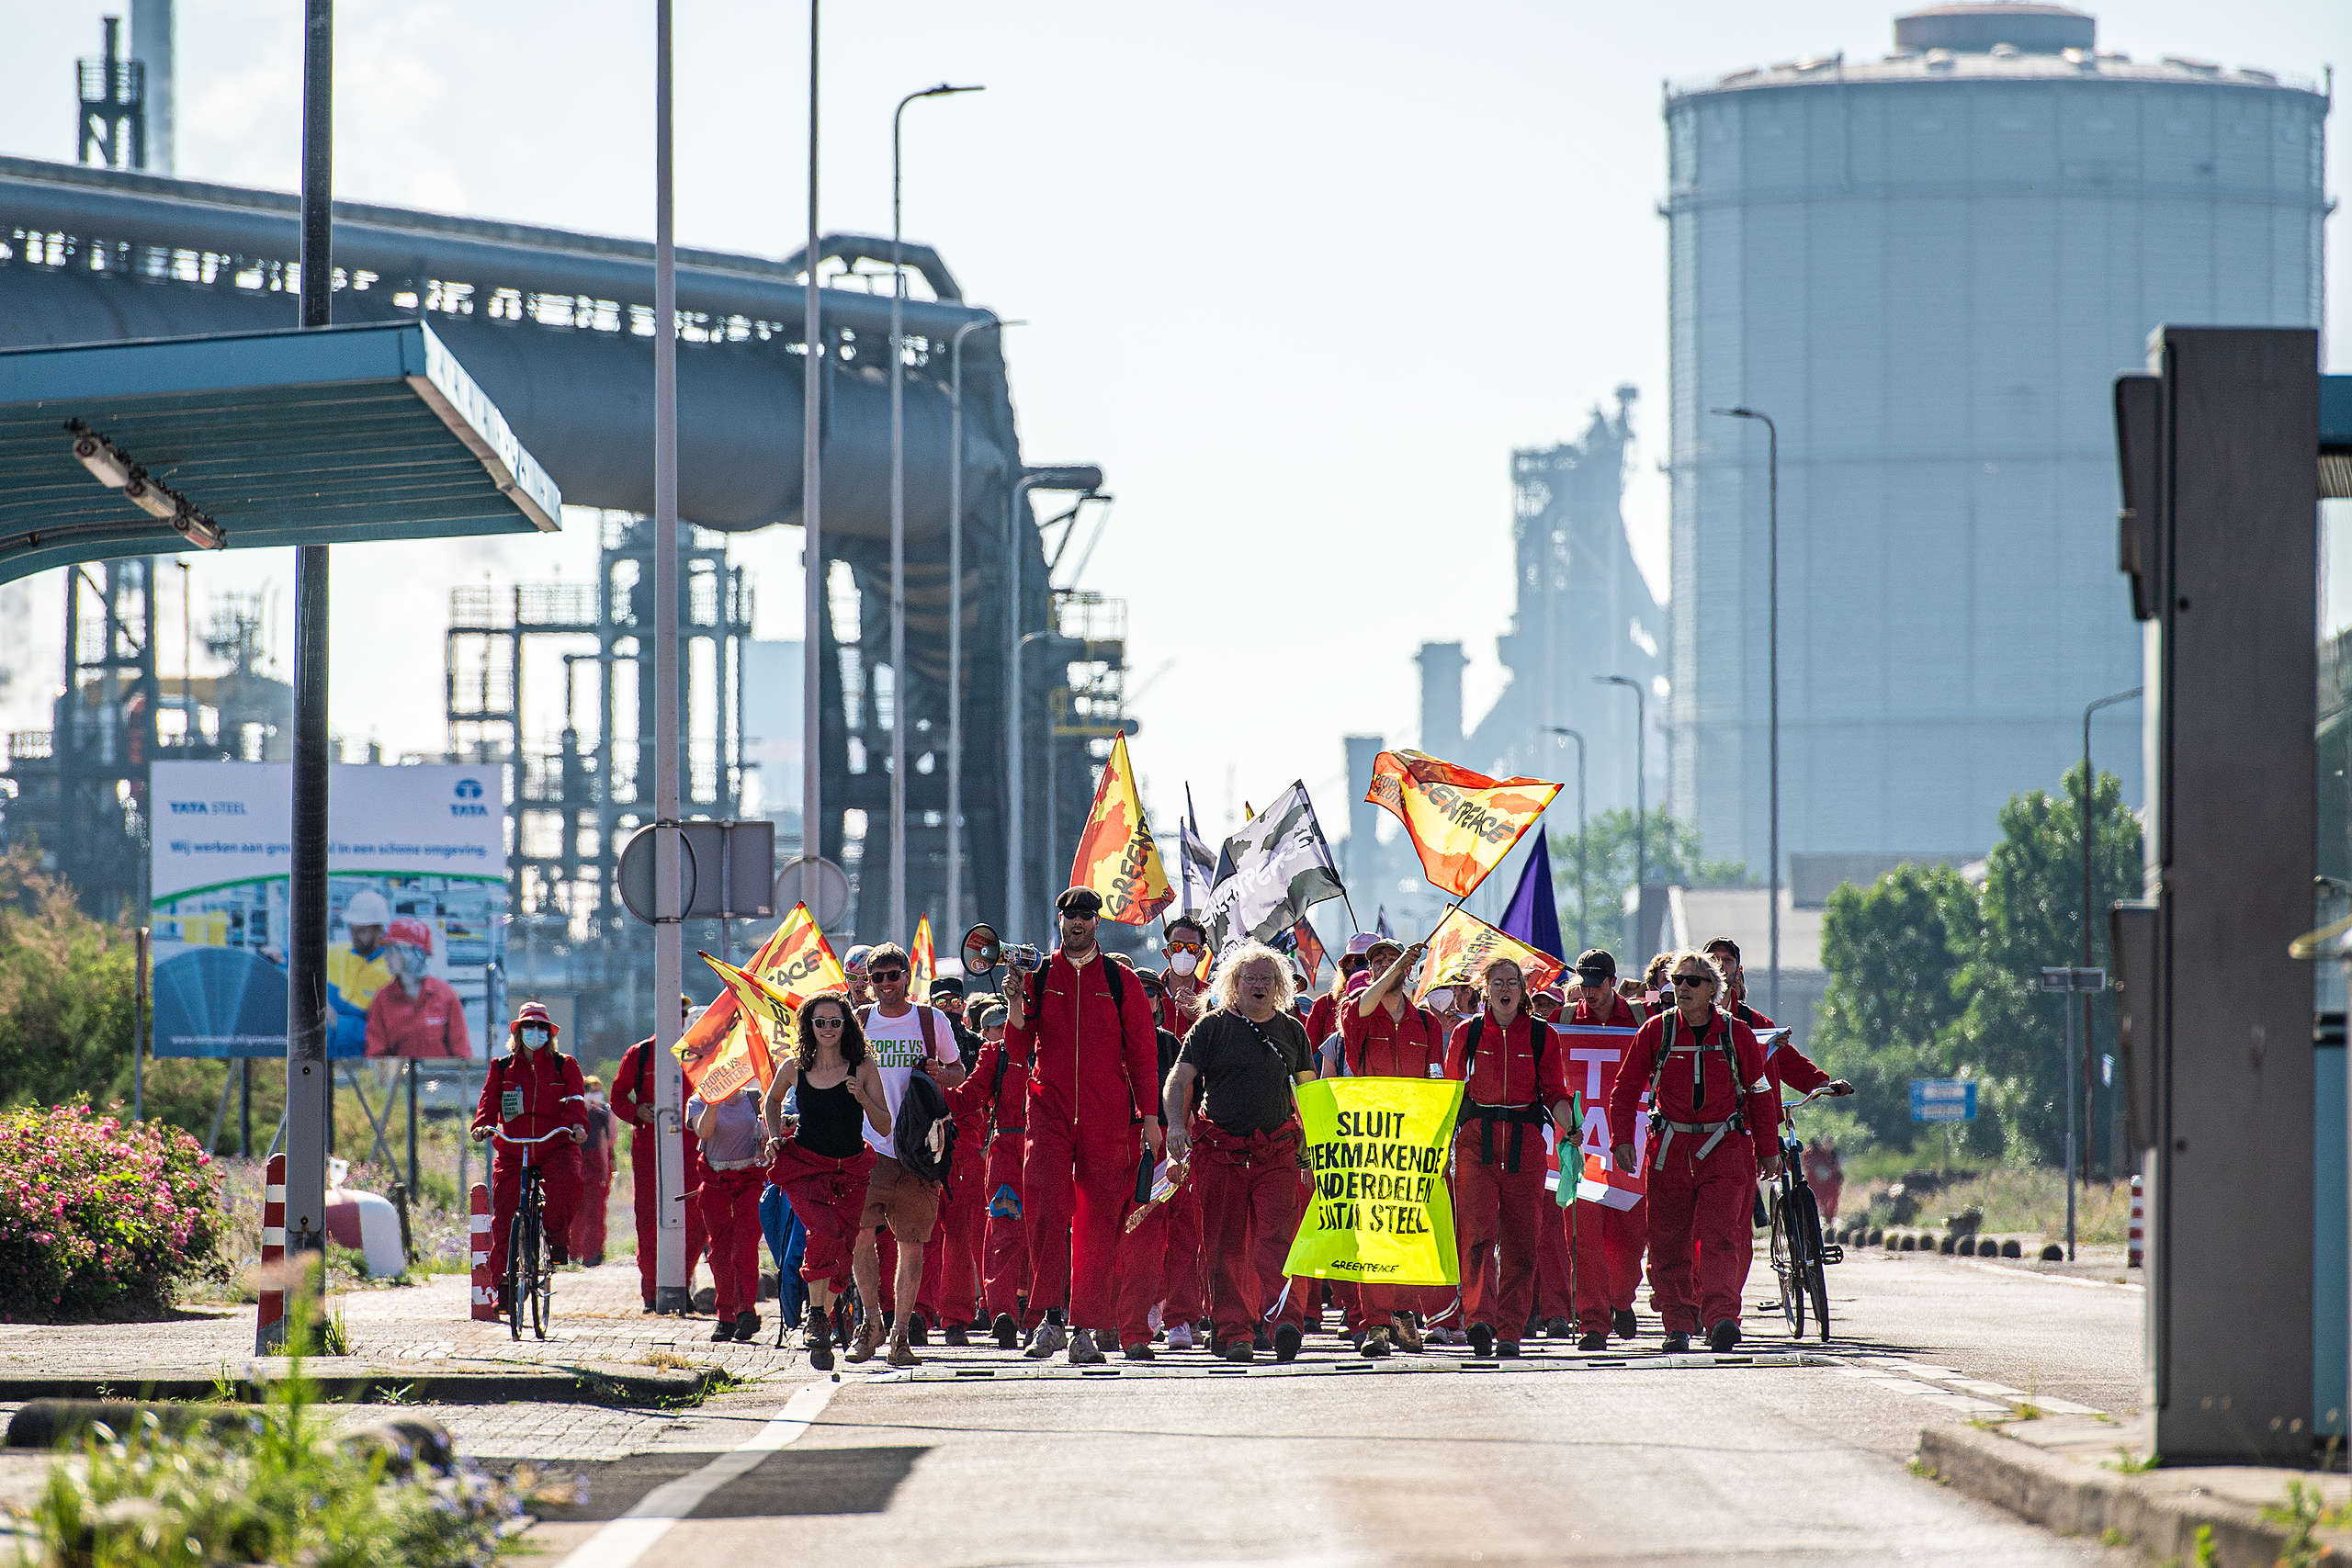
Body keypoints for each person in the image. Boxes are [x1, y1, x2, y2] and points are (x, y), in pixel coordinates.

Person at [1001, 887, 1164, 1365]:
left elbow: (1143, 1054)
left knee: (1097, 1224)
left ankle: (1086, 1328)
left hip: (1107, 1116)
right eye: (1069, 916)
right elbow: (1015, 1048)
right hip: (1048, 1112)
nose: (1077, 923)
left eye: (1086, 916)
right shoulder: (1039, 975)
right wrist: (1014, 1001)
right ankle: (1049, 1320)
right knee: (1046, 1212)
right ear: (1058, 921)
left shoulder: (1122, 980)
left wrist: (1150, 1119)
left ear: (1098, 922)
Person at [1609, 950, 1780, 1353]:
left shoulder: (1736, 1034)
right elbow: (1625, 1088)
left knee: (1719, 1237)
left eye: (1693, 982)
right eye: (1678, 980)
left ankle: (1721, 1318)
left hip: (1725, 1148)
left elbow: (1759, 1092)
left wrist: (1768, 1150)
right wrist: (1621, 1141)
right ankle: (1678, 1323)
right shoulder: (1656, 1031)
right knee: (1668, 1242)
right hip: (1670, 1149)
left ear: (1713, 990)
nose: (1682, 987)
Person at [1162, 943, 1316, 1363]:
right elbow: (1179, 1079)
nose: (1260, 985)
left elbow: (1310, 1090)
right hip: (1220, 1153)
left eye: (1268, 978)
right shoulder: (1210, 1028)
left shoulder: (1292, 1031)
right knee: (1224, 1248)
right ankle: (1234, 1332)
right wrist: (1176, 1123)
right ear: (1234, 983)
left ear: (1279, 985)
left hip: (1276, 1154)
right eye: (1251, 978)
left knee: (1279, 1242)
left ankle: (1285, 1323)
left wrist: (1316, 1147)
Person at [1442, 956, 1577, 1359]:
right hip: (1475, 1143)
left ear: (1522, 991)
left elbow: (1555, 1090)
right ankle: (1479, 1319)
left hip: (1525, 1143)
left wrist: (1570, 1129)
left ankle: (1510, 1330)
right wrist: (1437, 1146)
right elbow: (1451, 1092)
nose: (1505, 989)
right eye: (1498, 982)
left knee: (1522, 1242)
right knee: (1478, 1237)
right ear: (1486, 990)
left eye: (1512, 983)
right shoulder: (1467, 1033)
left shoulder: (1542, 1035)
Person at [844, 942, 966, 1368]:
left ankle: (900, 1334)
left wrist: (941, 1074)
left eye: (893, 975)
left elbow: (958, 1072)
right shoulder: (858, 1022)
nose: (885, 985)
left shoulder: (931, 1022)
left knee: (911, 1245)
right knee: (861, 1237)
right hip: (868, 1148)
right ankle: (870, 1324)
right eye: (876, 977)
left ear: (906, 976)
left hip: (918, 1151)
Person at [762, 993, 890, 1371]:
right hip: (804, 1166)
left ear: (846, 1024)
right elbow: (771, 1102)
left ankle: (820, 1320)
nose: (828, 1029)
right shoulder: (794, 1067)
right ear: (809, 1027)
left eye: (835, 1021)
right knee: (823, 1231)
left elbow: (884, 1125)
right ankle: (816, 1316)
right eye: (820, 1022)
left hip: (851, 1168)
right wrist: (774, 1135)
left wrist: (863, 1097)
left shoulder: (863, 1066)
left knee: (844, 1247)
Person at [1335, 936, 1449, 1356]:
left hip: (1415, 1139)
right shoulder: (1356, 1011)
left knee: (1409, 1229)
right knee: (1374, 1231)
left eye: (1395, 959)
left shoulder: (1426, 1023)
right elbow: (1366, 1002)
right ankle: (1377, 1324)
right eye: (1379, 960)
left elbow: (1436, 1076)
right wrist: (1397, 964)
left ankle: (1403, 1312)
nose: (1389, 965)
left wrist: (1438, 1134)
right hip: (1370, 1137)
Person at [469, 1001, 588, 1310]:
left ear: (549, 1034)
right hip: (513, 1149)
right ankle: (505, 1287)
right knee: (505, 1215)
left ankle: (555, 1239)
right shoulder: (502, 1067)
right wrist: (483, 1125)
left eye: (541, 1028)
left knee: (569, 1182)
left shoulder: (566, 1066)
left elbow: (576, 1101)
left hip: (555, 1145)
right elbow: (488, 1103)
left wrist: (577, 1126)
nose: (535, 1033)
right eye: (528, 1027)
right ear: (518, 1032)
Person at [1562, 949, 1646, 1349]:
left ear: (1613, 982)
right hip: (1581, 1143)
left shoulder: (1639, 1019)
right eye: (1584, 985)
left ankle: (1621, 1298)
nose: (1589, 994)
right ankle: (1593, 1323)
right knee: (1583, 1239)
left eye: (1597, 985)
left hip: (1630, 1141)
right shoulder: (1564, 1020)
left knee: (1629, 1238)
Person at [1110, 969, 1192, 1359]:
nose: (1145, 998)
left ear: (1161, 1002)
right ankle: (1103, 1322)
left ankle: (1140, 1331)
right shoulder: (1106, 1041)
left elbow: (1183, 1099)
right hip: (1108, 1143)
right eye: (1136, 992)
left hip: (1156, 1147)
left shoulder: (1169, 1044)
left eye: (1152, 993)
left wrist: (1177, 1148)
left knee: (1149, 1240)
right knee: (1103, 1239)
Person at [947, 999, 1037, 1348]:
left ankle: (1038, 1313)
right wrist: (936, 1084)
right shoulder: (994, 1053)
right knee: (1003, 1231)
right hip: (1005, 1152)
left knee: (1043, 1232)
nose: (1006, 1028)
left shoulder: (1051, 1050)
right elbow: (967, 1097)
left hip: (1046, 1150)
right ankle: (1003, 1313)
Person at [611, 997, 709, 1312]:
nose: (677, 1019)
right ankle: (652, 1293)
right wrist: (638, 1111)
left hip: (693, 1147)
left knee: (697, 1220)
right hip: (649, 1149)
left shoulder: (699, 1053)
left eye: (681, 1014)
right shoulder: (640, 1055)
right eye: (671, 1013)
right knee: (649, 1221)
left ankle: (680, 1284)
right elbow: (617, 1097)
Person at [921, 976, 989, 1343]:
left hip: (966, 1143)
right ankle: (918, 1311)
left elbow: (986, 1095)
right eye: (941, 1000)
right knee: (922, 1232)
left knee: (961, 1234)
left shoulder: (979, 1046)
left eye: (956, 1000)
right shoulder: (918, 1044)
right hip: (924, 1146)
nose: (949, 1006)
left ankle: (957, 1318)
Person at [691, 1079, 770, 1341]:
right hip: (715, 1183)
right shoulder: (698, 1101)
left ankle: (746, 1310)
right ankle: (725, 1316)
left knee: (745, 1249)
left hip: (750, 1181)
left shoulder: (753, 1098)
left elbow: (771, 1129)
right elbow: (704, 1132)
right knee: (721, 1252)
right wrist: (713, 1101)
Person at [362, 918, 472, 1059]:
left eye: (394, 949)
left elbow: (462, 1053)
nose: (386, 956)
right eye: (387, 949)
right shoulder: (383, 999)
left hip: (440, 1079)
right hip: (400, 1079)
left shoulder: (446, 995)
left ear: (417, 954)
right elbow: (375, 1055)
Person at [327, 889, 397, 1057]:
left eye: (361, 931)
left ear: (379, 930)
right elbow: (302, 953)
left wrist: (338, 1022)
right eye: (351, 929)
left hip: (359, 1060)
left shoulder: (391, 975)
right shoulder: (340, 953)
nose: (354, 937)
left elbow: (388, 1037)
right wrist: (278, 953)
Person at [571, 1073, 617, 1266]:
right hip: (593, 1166)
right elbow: (604, 1143)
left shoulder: (572, 1114)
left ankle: (574, 1253)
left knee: (576, 1212)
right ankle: (591, 1253)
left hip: (576, 1165)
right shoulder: (600, 1115)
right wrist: (606, 1170)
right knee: (594, 1212)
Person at [1158, 916, 1213, 1038]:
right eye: (1176, 947)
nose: (1183, 953)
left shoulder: (1215, 996)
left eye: (1192, 948)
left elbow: (1222, 1042)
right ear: (1166, 953)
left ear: (1202, 955)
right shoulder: (1148, 992)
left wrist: (1199, 1016)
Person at [1804, 1137, 1844, 1225]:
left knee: (1829, 1202)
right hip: (1816, 1183)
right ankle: (1817, 1219)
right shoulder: (1813, 1154)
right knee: (1817, 1201)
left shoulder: (1830, 1154)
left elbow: (1835, 1168)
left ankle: (1828, 1218)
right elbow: (1807, 1167)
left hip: (1827, 1183)